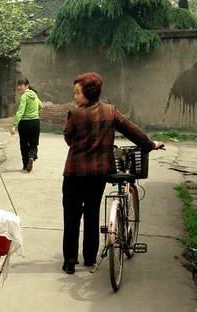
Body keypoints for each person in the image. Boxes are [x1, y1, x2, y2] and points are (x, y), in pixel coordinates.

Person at [61, 72, 164, 275]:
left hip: (74, 173)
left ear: (88, 93)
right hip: (99, 174)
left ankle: (70, 262)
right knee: (92, 213)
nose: (75, 97)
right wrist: (151, 145)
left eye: (77, 93)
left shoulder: (75, 114)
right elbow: (132, 131)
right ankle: (89, 258)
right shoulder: (111, 111)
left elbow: (68, 138)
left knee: (72, 216)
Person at [10, 78, 42, 172]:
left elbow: (20, 111)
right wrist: (33, 112)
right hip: (35, 122)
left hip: (25, 123)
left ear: (27, 86)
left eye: (21, 85)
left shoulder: (24, 97)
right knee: (34, 143)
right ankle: (32, 156)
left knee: (24, 145)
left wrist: (14, 125)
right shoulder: (34, 95)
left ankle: (25, 164)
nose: (19, 87)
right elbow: (40, 105)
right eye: (18, 85)